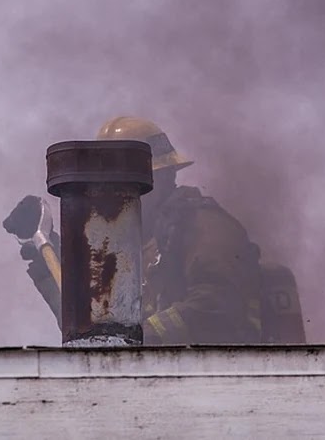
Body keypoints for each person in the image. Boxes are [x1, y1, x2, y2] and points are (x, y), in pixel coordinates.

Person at [97, 116, 265, 344]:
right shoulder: (138, 243)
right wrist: (44, 265)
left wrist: (141, 336)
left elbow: (217, 301)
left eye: (126, 183)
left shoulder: (204, 227)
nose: (115, 195)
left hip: (221, 370)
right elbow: (96, 325)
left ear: (164, 177)